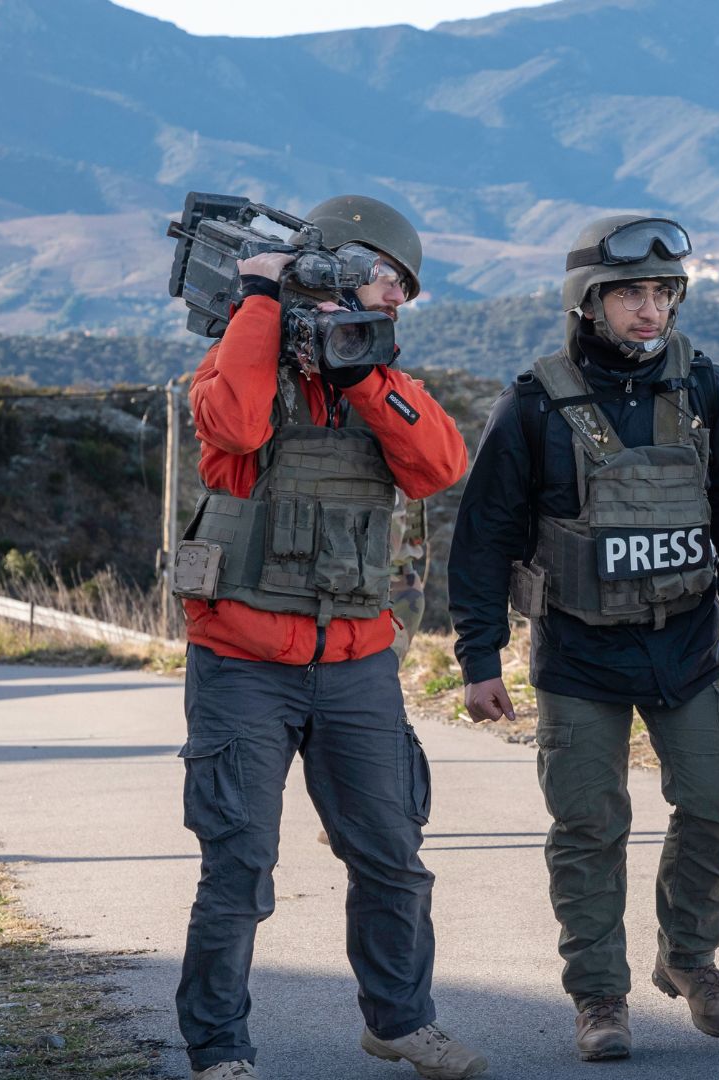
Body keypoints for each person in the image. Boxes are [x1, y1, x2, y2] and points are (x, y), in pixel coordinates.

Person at [447, 215, 719, 1062]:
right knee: (587, 825)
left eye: (663, 292)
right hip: (576, 652)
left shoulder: (706, 388)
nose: (650, 308)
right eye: (632, 292)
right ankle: (600, 995)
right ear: (589, 302)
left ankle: (691, 956)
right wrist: (479, 658)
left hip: (686, 645)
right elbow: (484, 533)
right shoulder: (534, 403)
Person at [172, 195, 485, 1080]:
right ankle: (220, 1049)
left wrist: (364, 378)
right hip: (241, 663)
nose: (397, 301)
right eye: (390, 280)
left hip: (354, 662)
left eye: (404, 291)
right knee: (239, 864)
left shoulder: (380, 382)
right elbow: (232, 427)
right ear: (341, 267)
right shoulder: (241, 362)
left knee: (392, 856)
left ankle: (400, 1022)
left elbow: (439, 467)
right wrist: (260, 300)